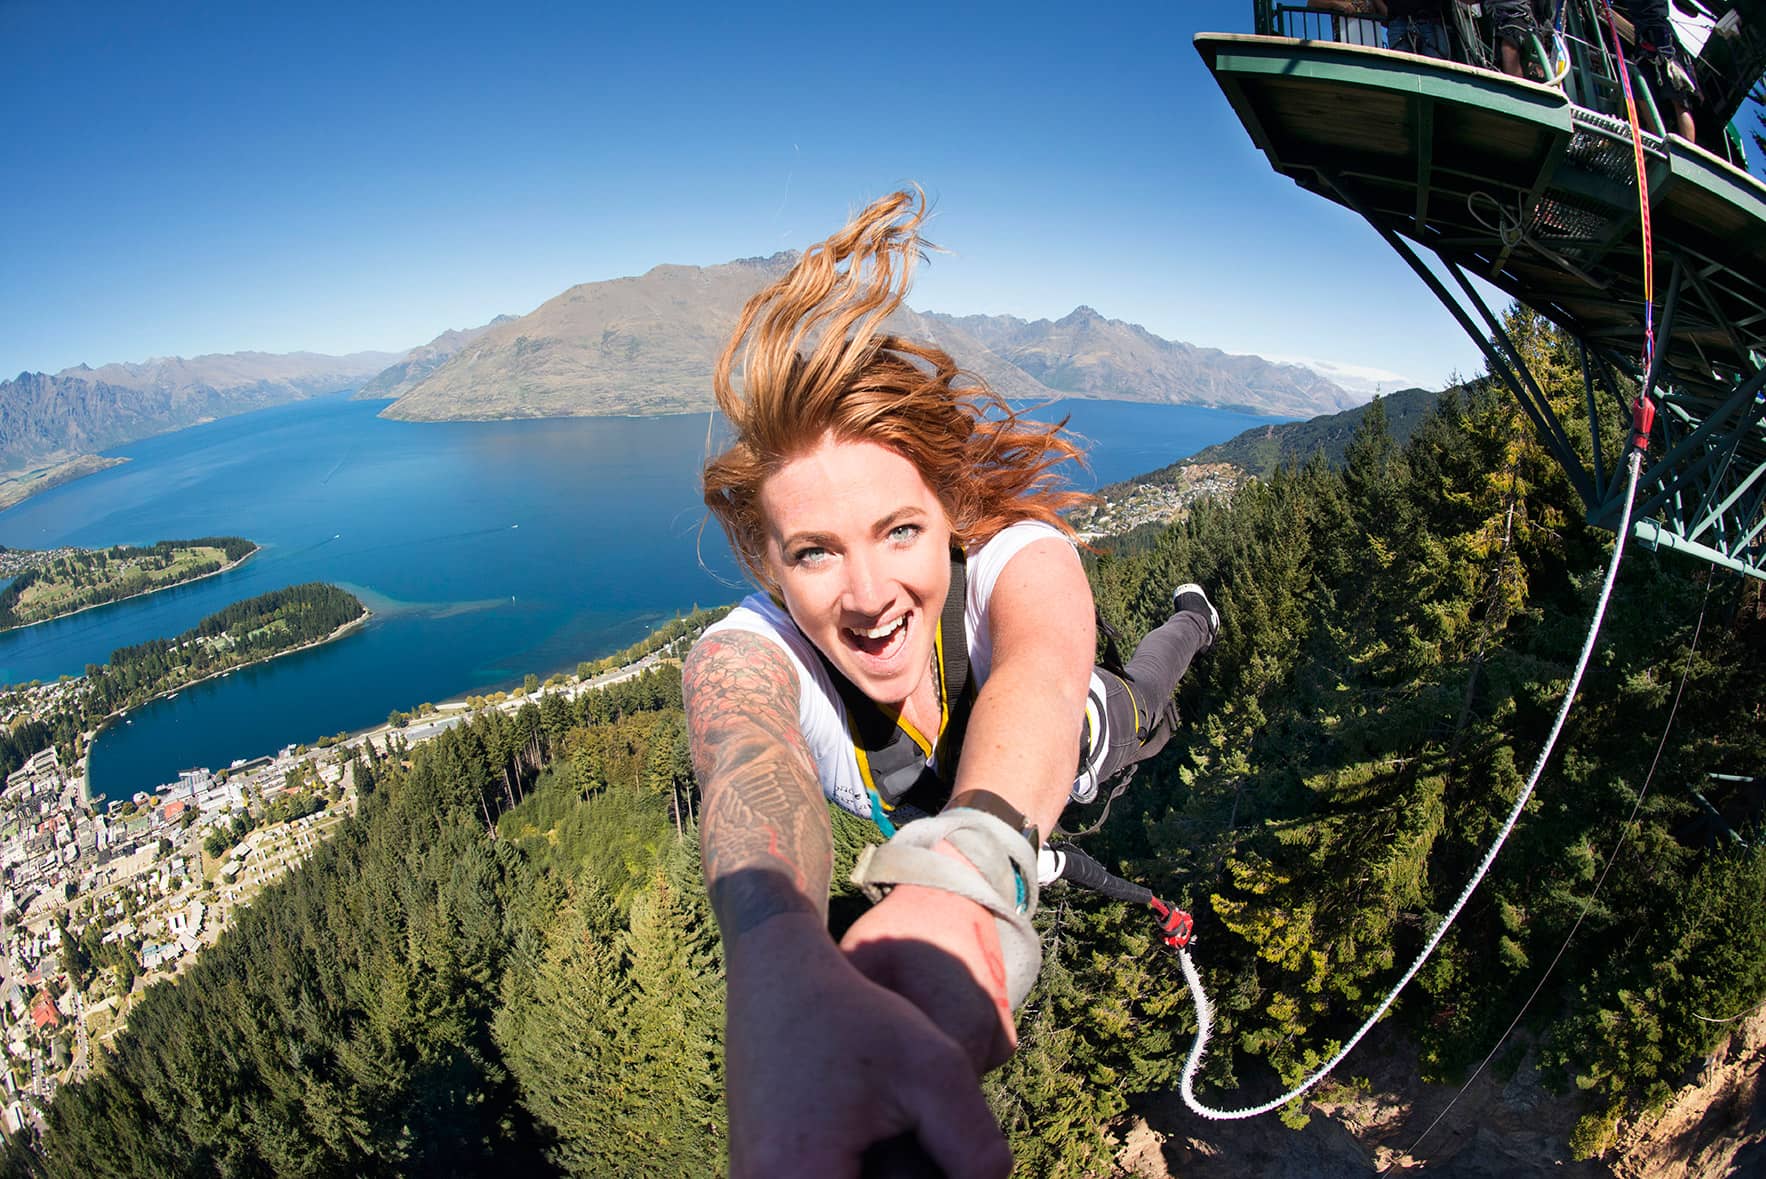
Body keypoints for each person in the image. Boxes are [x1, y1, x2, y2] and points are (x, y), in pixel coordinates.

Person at [683, 190, 1217, 1178]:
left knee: (1143, 696)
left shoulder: (1017, 555)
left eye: (899, 531)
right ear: (765, 565)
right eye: (813, 552)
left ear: (951, 513)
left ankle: (1195, 617)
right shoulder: (749, 652)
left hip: (1079, 742)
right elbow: (742, 752)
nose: (869, 595)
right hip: (977, 848)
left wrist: (971, 851)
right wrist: (774, 967)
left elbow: (1041, 669)